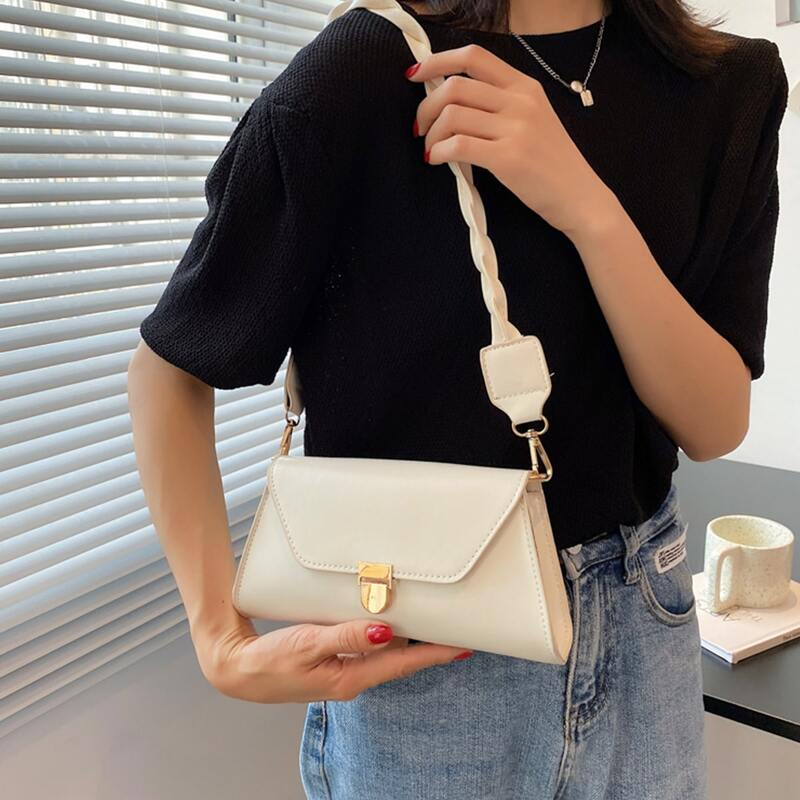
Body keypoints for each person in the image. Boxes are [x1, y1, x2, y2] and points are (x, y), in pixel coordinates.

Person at [127, 0, 789, 797]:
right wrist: (219, 640)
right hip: (428, 654)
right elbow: (170, 368)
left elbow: (714, 423)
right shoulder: (367, 71)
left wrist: (588, 209)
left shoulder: (726, 85)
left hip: (648, 621)